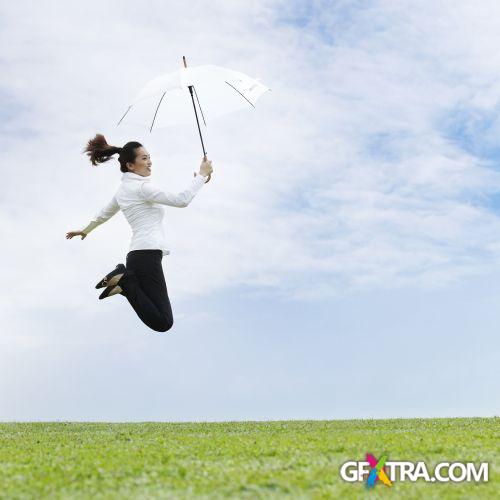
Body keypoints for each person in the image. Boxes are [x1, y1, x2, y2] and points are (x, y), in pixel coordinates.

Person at [66, 133, 213, 332]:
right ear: (131, 166)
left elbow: (102, 215)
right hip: (147, 256)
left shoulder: (124, 190)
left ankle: (124, 283)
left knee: (160, 318)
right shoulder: (142, 188)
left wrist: (85, 230)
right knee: (163, 322)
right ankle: (125, 280)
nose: (150, 162)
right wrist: (202, 176)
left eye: (149, 157)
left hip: (137, 256)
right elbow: (181, 200)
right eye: (144, 158)